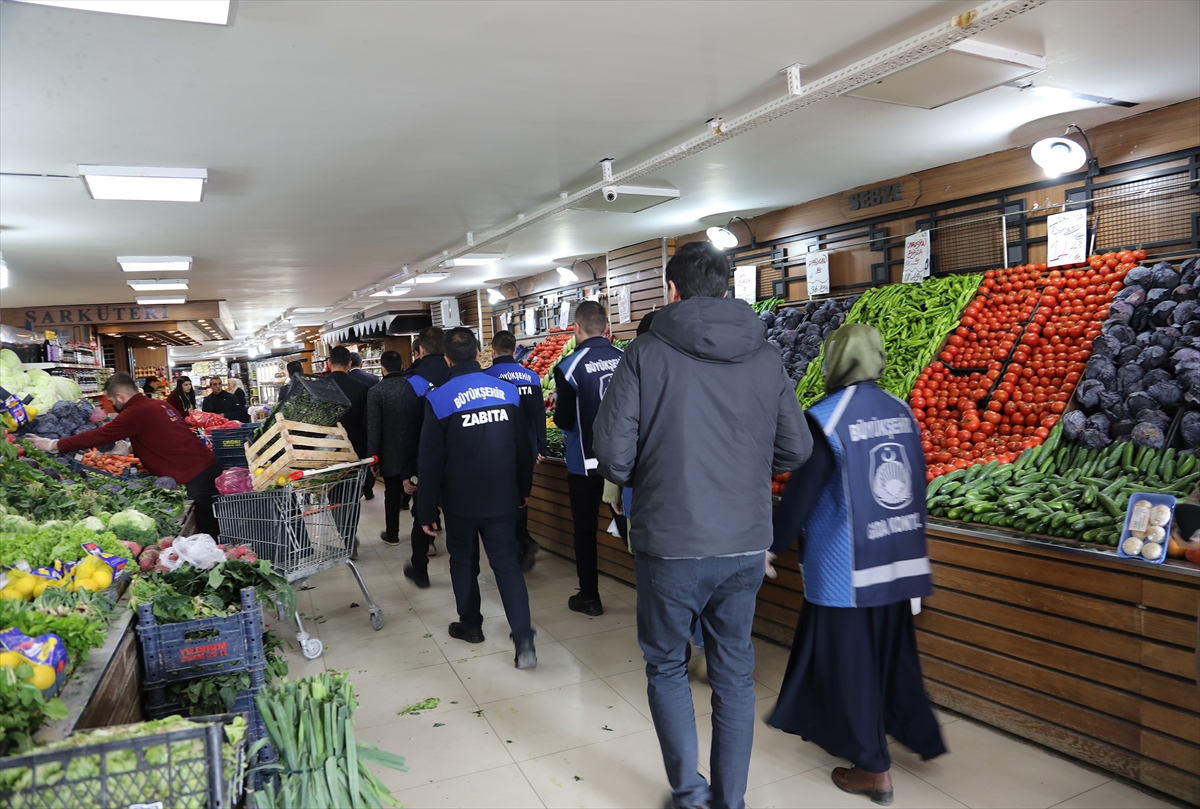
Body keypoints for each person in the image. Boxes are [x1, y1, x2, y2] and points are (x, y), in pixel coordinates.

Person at [593, 241, 812, 809]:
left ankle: (691, 794)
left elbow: (613, 457)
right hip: (745, 542)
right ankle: (730, 801)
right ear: (727, 286)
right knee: (734, 673)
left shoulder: (644, 353)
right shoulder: (765, 355)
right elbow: (797, 447)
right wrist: (747, 467)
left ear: (671, 289)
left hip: (671, 539)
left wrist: (655, 470)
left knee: (667, 665)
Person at [767, 324, 945, 807]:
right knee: (888, 658)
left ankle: (873, 770)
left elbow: (802, 494)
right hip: (895, 558)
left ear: (836, 360)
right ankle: (899, 734)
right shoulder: (900, 410)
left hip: (845, 568)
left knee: (850, 667)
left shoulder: (826, 418)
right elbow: (917, 481)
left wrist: (772, 547)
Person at [417, 328, 536, 668]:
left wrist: (426, 510)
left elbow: (430, 460)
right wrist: (523, 490)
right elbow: (523, 447)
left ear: (446, 359)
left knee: (463, 561)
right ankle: (524, 640)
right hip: (502, 497)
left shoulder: (439, 398)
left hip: (461, 501)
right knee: (506, 564)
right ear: (478, 353)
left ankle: (471, 626)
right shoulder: (507, 391)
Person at [28, 373, 223, 537]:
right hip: (204, 467)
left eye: (112, 401)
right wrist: (130, 449)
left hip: (194, 477)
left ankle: (214, 564)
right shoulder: (159, 404)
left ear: (120, 396)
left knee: (209, 532)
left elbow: (97, 436)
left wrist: (53, 444)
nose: (112, 405)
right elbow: (164, 436)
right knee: (212, 525)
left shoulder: (135, 412)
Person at [553, 300, 624, 616]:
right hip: (624, 462)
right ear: (606, 327)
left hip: (585, 464)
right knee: (631, 524)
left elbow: (564, 419)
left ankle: (590, 597)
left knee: (585, 529)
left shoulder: (569, 367)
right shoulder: (625, 358)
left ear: (577, 328)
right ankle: (654, 595)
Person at [483, 330, 546, 571]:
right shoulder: (531, 376)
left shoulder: (487, 377)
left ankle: (518, 541)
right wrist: (540, 445)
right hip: (528, 447)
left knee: (502, 497)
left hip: (499, 447)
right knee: (521, 495)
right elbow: (539, 414)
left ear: (493, 350)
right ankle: (522, 540)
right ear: (514, 348)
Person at [397, 327, 450, 586]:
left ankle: (420, 568)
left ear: (420, 349)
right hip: (460, 458)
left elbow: (408, 430)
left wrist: (407, 471)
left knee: (423, 511)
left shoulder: (414, 382)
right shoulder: (457, 373)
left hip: (425, 459)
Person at [366, 350, 411, 546]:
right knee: (418, 491)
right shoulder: (412, 387)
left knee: (391, 494)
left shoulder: (376, 391)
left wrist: (373, 458)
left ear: (382, 368)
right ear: (401, 366)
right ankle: (426, 537)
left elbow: (374, 428)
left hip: (389, 454)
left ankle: (392, 534)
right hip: (413, 453)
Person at [326, 346, 374, 505]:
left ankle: (338, 516)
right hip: (355, 448)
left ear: (329, 363)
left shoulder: (320, 386)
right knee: (353, 494)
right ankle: (350, 518)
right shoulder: (362, 387)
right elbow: (368, 421)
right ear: (349, 363)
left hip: (328, 450)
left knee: (333, 490)